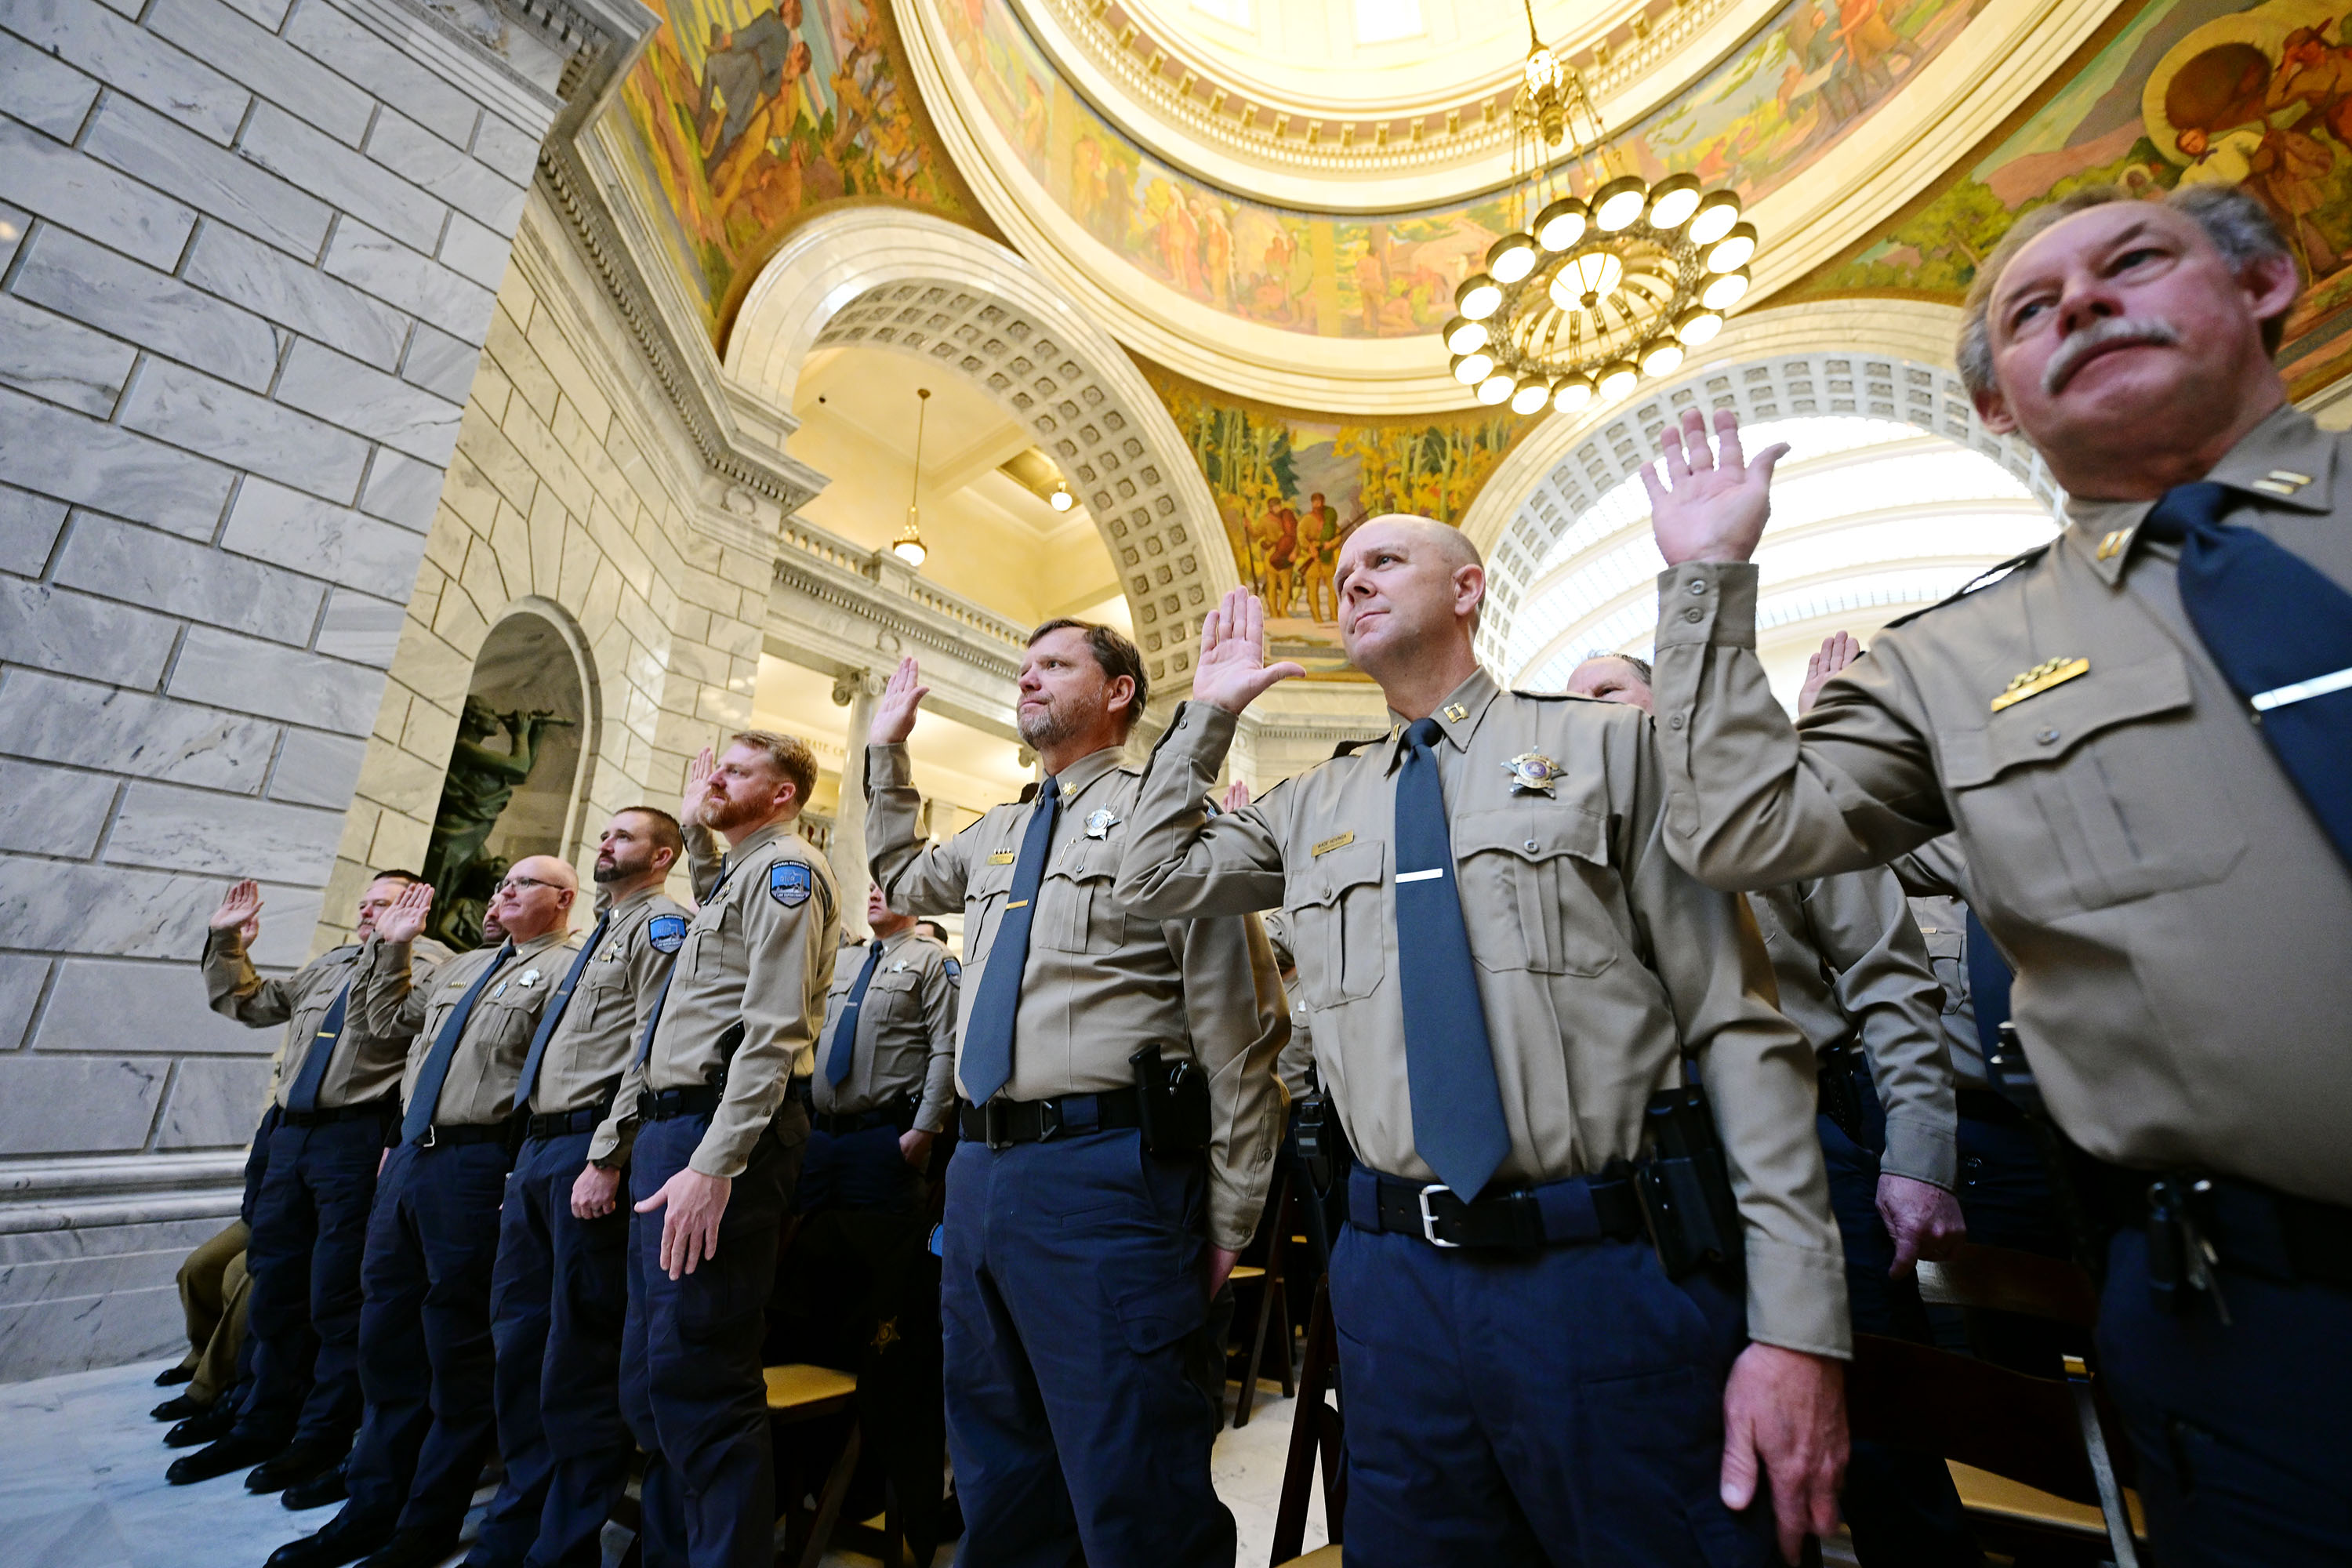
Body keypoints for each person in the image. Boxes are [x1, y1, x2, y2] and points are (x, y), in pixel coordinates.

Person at [1637, 181, 2352, 1564]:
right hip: (2260, 1312)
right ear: (1999, 407)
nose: (2081, 302)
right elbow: (1741, 835)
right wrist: (1708, 591)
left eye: (2134, 262)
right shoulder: (1949, 658)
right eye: (2032, 308)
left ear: (2266, 287)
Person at [1112, 528, 1849, 1568]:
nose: (1351, 579)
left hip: (1597, 1269)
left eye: (1384, 563)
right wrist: (1209, 714)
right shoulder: (1315, 802)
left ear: (1468, 590)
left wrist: (1795, 1325)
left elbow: (1740, 1029)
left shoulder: (1609, 749)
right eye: (1342, 574)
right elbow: (1148, 881)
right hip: (1394, 1286)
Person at [864, 618, 1288, 1568]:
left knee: (1130, 1479)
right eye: (1024, 667)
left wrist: (1229, 1219)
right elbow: (896, 875)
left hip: (1107, 1179)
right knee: (998, 1469)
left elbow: (1243, 1034)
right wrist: (885, 750)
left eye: (1055, 665)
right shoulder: (1000, 831)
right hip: (981, 1173)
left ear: (1120, 693)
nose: (1028, 679)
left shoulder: (1169, 821)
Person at [1569, 652, 1977, 1568]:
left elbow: (1888, 972)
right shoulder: (1567, 837)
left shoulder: (1765, 791)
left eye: (1603, 690)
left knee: (1878, 1439)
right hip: (1649, 1166)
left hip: (1807, 1138)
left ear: (1663, 702)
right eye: (1568, 703)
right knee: (1707, 1447)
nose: (1582, 713)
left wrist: (1917, 1152)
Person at [268, 860, 579, 1568]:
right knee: (385, 1337)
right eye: (502, 881)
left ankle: (427, 1521)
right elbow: (382, 1026)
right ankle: (371, 1501)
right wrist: (395, 947)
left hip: (479, 1162)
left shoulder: (568, 969)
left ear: (562, 901)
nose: (503, 890)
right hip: (411, 1157)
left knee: (456, 1350)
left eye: (524, 884)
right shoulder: (463, 966)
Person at [615, 733, 838, 1568]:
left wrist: (716, 1162)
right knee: (654, 1374)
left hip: (720, 1133)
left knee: (701, 1373)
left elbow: (776, 1030)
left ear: (783, 796)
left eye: (737, 771)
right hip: (676, 1127)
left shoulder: (790, 870)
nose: (716, 777)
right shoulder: (737, 875)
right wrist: (698, 817)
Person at [466, 811, 691, 1568]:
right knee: (520, 1343)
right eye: (604, 835)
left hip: (588, 1151)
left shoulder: (661, 926)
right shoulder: (599, 932)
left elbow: (648, 1047)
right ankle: (516, 1524)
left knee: (577, 1360)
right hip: (540, 1151)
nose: (605, 845)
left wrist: (608, 1152)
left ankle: (562, 1547)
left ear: (662, 856)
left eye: (624, 839)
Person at [176, 872, 447, 1493]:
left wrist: (395, 950)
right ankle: (257, 1414)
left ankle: (320, 1433)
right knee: (273, 1282)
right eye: (364, 903)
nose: (365, 913)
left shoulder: (434, 970)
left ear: (414, 908)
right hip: (293, 1134)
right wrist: (226, 943)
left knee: (334, 1296)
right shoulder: (334, 964)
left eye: (380, 903)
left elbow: (407, 1037)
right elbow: (251, 1001)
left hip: (356, 1136)